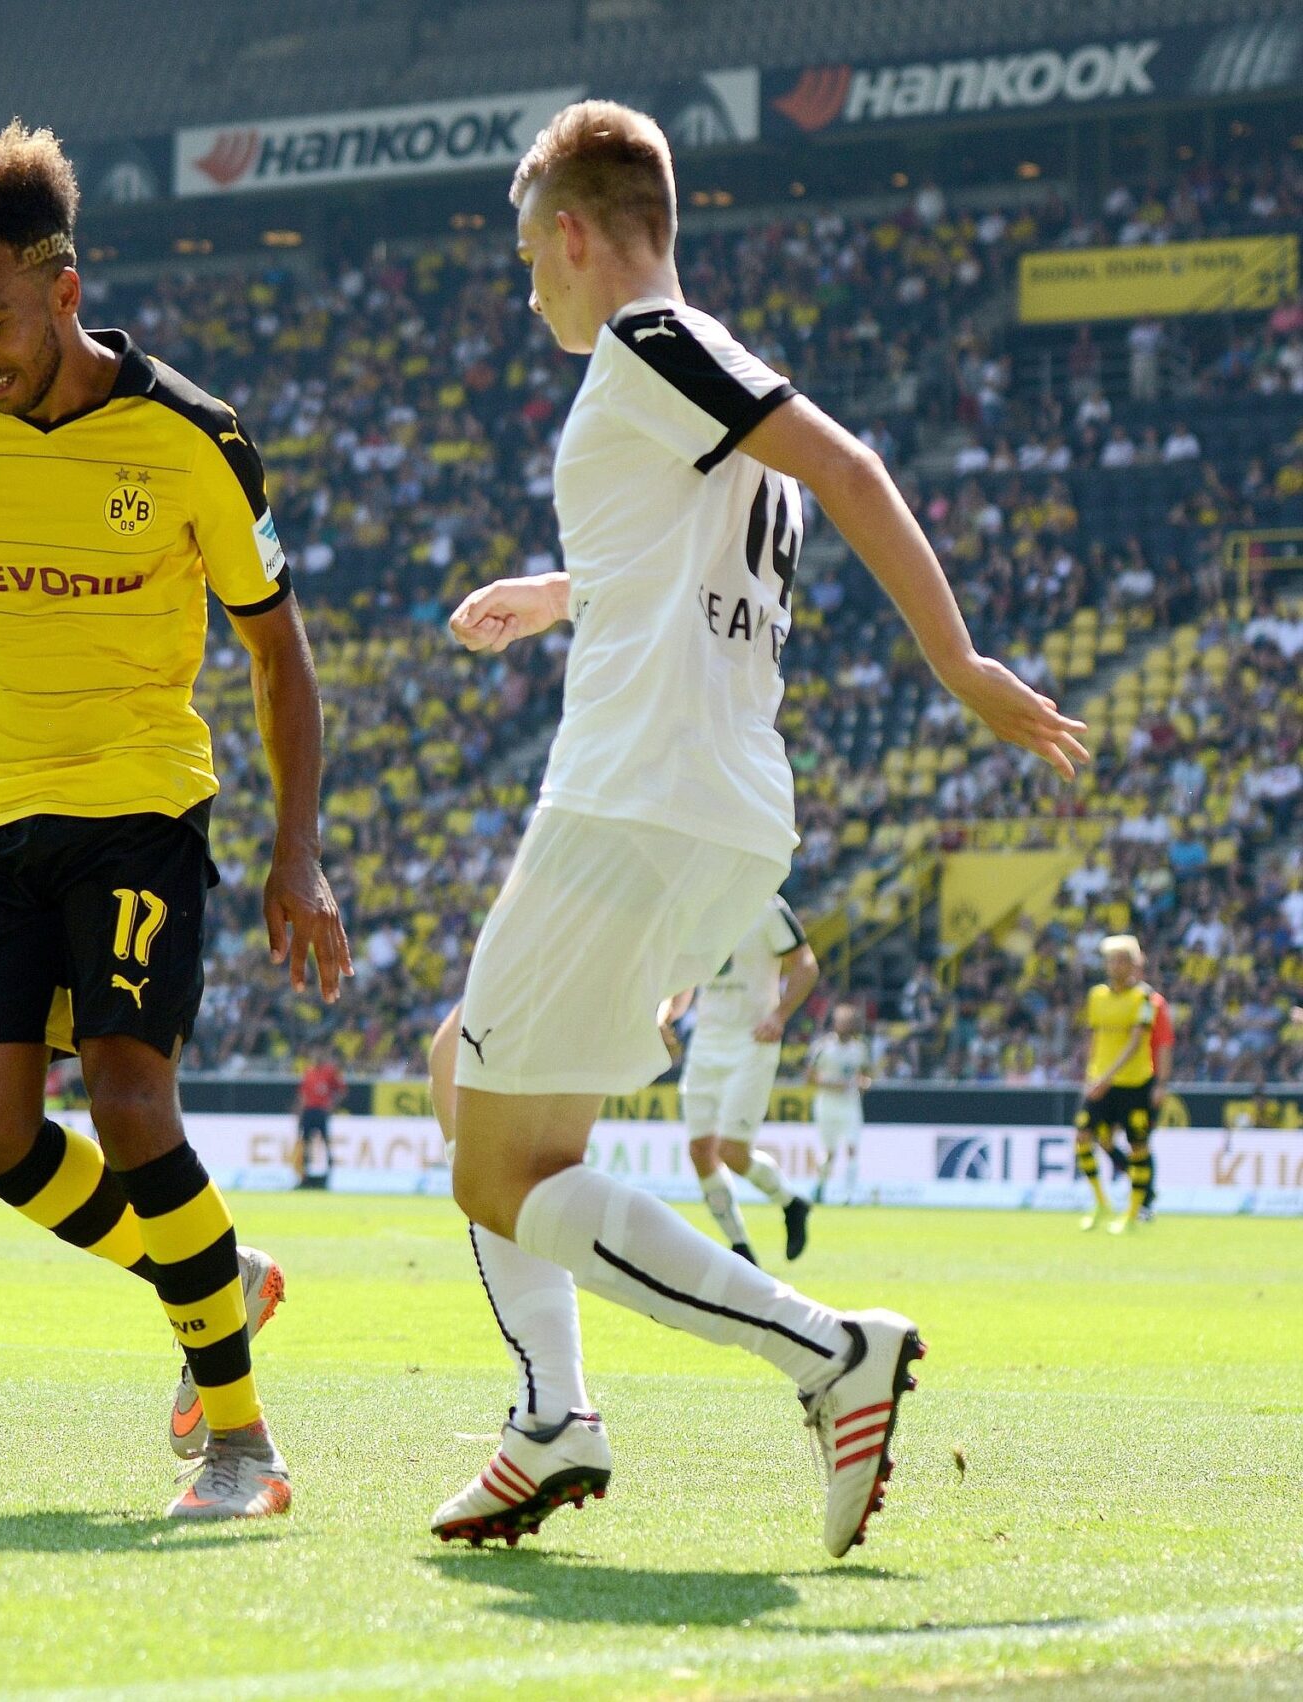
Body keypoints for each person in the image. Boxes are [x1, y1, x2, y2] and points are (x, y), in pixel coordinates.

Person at [425, 101, 1083, 1558]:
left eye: (530, 247)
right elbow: (679, 551)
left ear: (578, 233)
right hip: (707, 805)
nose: (526, 276)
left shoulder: (651, 345)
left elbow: (851, 466)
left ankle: (821, 1351)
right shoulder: (692, 390)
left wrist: (960, 662)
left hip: (633, 797)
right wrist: (564, 590)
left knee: (490, 1161)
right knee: (467, 1078)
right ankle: (553, 1420)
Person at [0, 122, 350, 1521]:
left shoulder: (195, 437)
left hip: (145, 801)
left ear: (65, 288)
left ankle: (242, 1449)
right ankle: (213, 1274)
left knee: (131, 1099)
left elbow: (280, 650)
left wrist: (294, 849)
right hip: (2, 816)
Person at [669, 896, 818, 1262]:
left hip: (752, 1041)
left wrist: (780, 1016)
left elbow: (805, 965)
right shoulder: (696, 908)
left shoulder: (767, 906)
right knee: (700, 1151)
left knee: (732, 1152)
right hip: (705, 1042)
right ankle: (740, 1248)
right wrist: (667, 1014)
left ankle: (791, 1202)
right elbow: (685, 979)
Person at [1077, 934, 1161, 1232]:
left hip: (1133, 1084)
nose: (1114, 966)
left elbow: (1137, 1042)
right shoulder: (1096, 996)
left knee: (1138, 1146)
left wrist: (1106, 1077)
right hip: (1099, 1081)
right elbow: (1095, 1037)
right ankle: (1101, 1203)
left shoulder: (1144, 998)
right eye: (1110, 960)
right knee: (1083, 1138)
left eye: (1120, 960)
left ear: (1132, 964)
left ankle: (1133, 1214)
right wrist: (1090, 1074)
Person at [804, 1003, 875, 1203]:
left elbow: (866, 1075)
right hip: (827, 1103)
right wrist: (833, 1084)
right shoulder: (823, 1046)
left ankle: (849, 1195)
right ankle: (820, 1186)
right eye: (841, 1022)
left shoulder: (860, 1049)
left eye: (848, 1023)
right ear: (835, 1024)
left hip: (850, 1104)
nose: (845, 1026)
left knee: (852, 1148)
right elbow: (809, 1076)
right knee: (829, 1152)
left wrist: (864, 1084)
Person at [295, 1056, 345, 1189]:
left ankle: (329, 1179)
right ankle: (304, 1178)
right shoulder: (308, 1072)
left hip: (321, 1111)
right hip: (309, 1111)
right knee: (306, 1145)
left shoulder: (329, 1072)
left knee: (326, 1144)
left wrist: (332, 1105)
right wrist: (300, 1113)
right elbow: (303, 1095)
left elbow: (341, 1090)